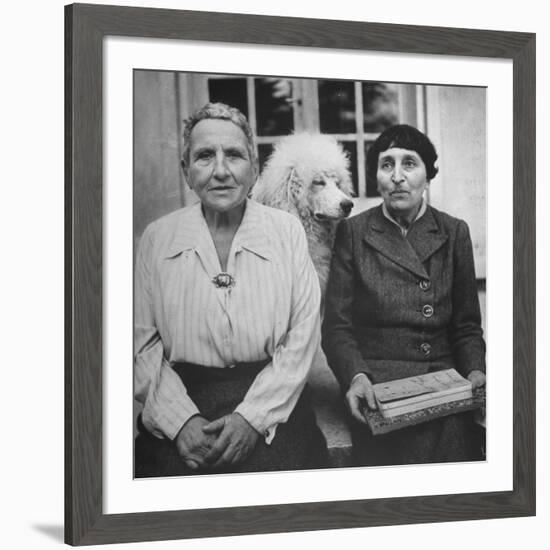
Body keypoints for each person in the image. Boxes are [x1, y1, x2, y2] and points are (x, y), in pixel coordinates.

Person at [134, 102, 327, 477]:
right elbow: (140, 345)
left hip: (273, 400)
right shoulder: (158, 239)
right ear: (186, 171)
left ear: (253, 169)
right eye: (205, 156)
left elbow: (303, 336)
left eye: (235, 155)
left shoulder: (286, 232)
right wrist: (181, 423)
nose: (221, 171)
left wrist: (251, 419)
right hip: (185, 396)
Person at [322, 124, 486, 466]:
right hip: (377, 384)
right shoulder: (353, 233)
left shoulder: (454, 232)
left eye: (409, 164)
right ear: (376, 177)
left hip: (443, 381)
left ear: (428, 176)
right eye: (387, 165)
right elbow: (337, 328)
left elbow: (467, 327)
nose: (397, 176)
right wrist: (356, 376)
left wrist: (475, 372)